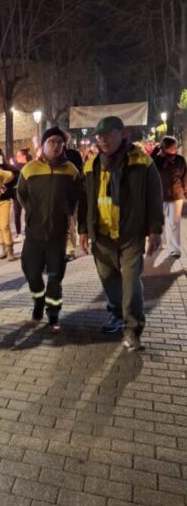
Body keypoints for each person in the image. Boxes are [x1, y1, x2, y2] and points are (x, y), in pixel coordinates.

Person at [78, 116, 164, 352]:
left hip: (130, 235)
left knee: (131, 285)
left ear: (122, 134)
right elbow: (84, 201)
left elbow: (155, 198)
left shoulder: (141, 161)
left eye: (107, 135)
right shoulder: (92, 165)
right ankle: (116, 315)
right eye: (99, 136)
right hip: (102, 237)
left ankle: (132, 331)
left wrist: (155, 230)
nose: (102, 140)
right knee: (109, 282)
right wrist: (83, 230)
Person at [18, 127, 83, 333]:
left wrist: (67, 212)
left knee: (55, 276)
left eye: (59, 142)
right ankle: (38, 299)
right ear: (43, 145)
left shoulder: (71, 170)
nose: (55, 146)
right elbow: (22, 194)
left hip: (57, 235)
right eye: (51, 142)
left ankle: (53, 313)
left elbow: (75, 197)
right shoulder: (29, 169)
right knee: (31, 272)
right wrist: (31, 212)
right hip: (34, 234)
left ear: (64, 146)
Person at [152, 136, 187, 258]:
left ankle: (175, 249)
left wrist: (185, 191)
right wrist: (156, 150)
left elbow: (184, 177)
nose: (176, 149)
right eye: (173, 147)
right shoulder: (157, 160)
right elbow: (149, 166)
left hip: (176, 195)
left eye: (176, 147)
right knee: (159, 221)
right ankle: (159, 243)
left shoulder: (180, 160)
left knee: (174, 223)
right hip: (159, 195)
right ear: (165, 148)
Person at [65, 139, 83, 261]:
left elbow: (79, 173)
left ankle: (70, 250)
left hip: (71, 193)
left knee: (71, 222)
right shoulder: (49, 157)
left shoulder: (73, 155)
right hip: (56, 195)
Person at [13, 148, 32, 243]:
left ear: (24, 156)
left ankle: (28, 231)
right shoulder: (15, 166)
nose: (17, 158)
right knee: (17, 213)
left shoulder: (29, 166)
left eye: (18, 156)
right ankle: (19, 233)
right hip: (17, 192)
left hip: (27, 192)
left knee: (28, 212)